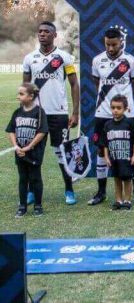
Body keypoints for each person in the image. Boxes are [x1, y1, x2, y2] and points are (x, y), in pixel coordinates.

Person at [22, 21, 80, 205]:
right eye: (40, 31)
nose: (42, 34)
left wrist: (75, 112)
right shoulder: (29, 58)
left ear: (55, 35)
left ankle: (69, 190)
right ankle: (31, 191)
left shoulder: (64, 57)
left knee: (62, 154)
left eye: (46, 31)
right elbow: (25, 88)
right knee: (33, 153)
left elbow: (74, 84)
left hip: (58, 114)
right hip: (36, 115)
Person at [89, 28, 134, 206]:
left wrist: (124, 103)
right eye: (107, 44)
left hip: (127, 113)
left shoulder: (131, 61)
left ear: (121, 42)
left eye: (114, 44)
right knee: (101, 150)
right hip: (103, 112)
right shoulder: (97, 60)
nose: (111, 48)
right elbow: (97, 83)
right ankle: (101, 192)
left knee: (130, 150)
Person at [6, 83, 48, 217]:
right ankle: (22, 206)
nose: (18, 96)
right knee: (23, 179)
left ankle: (38, 205)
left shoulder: (39, 112)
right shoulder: (17, 112)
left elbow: (42, 132)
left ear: (31, 96)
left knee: (35, 178)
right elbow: (11, 130)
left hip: (34, 153)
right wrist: (16, 146)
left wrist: (29, 147)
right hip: (20, 153)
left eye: (21, 94)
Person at [98, 95, 134, 210]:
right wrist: (106, 157)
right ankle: (118, 200)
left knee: (127, 179)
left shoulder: (129, 123)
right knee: (117, 179)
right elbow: (105, 144)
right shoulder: (108, 125)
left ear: (125, 109)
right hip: (114, 158)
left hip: (126, 158)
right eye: (113, 107)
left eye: (119, 108)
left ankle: (127, 200)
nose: (115, 110)